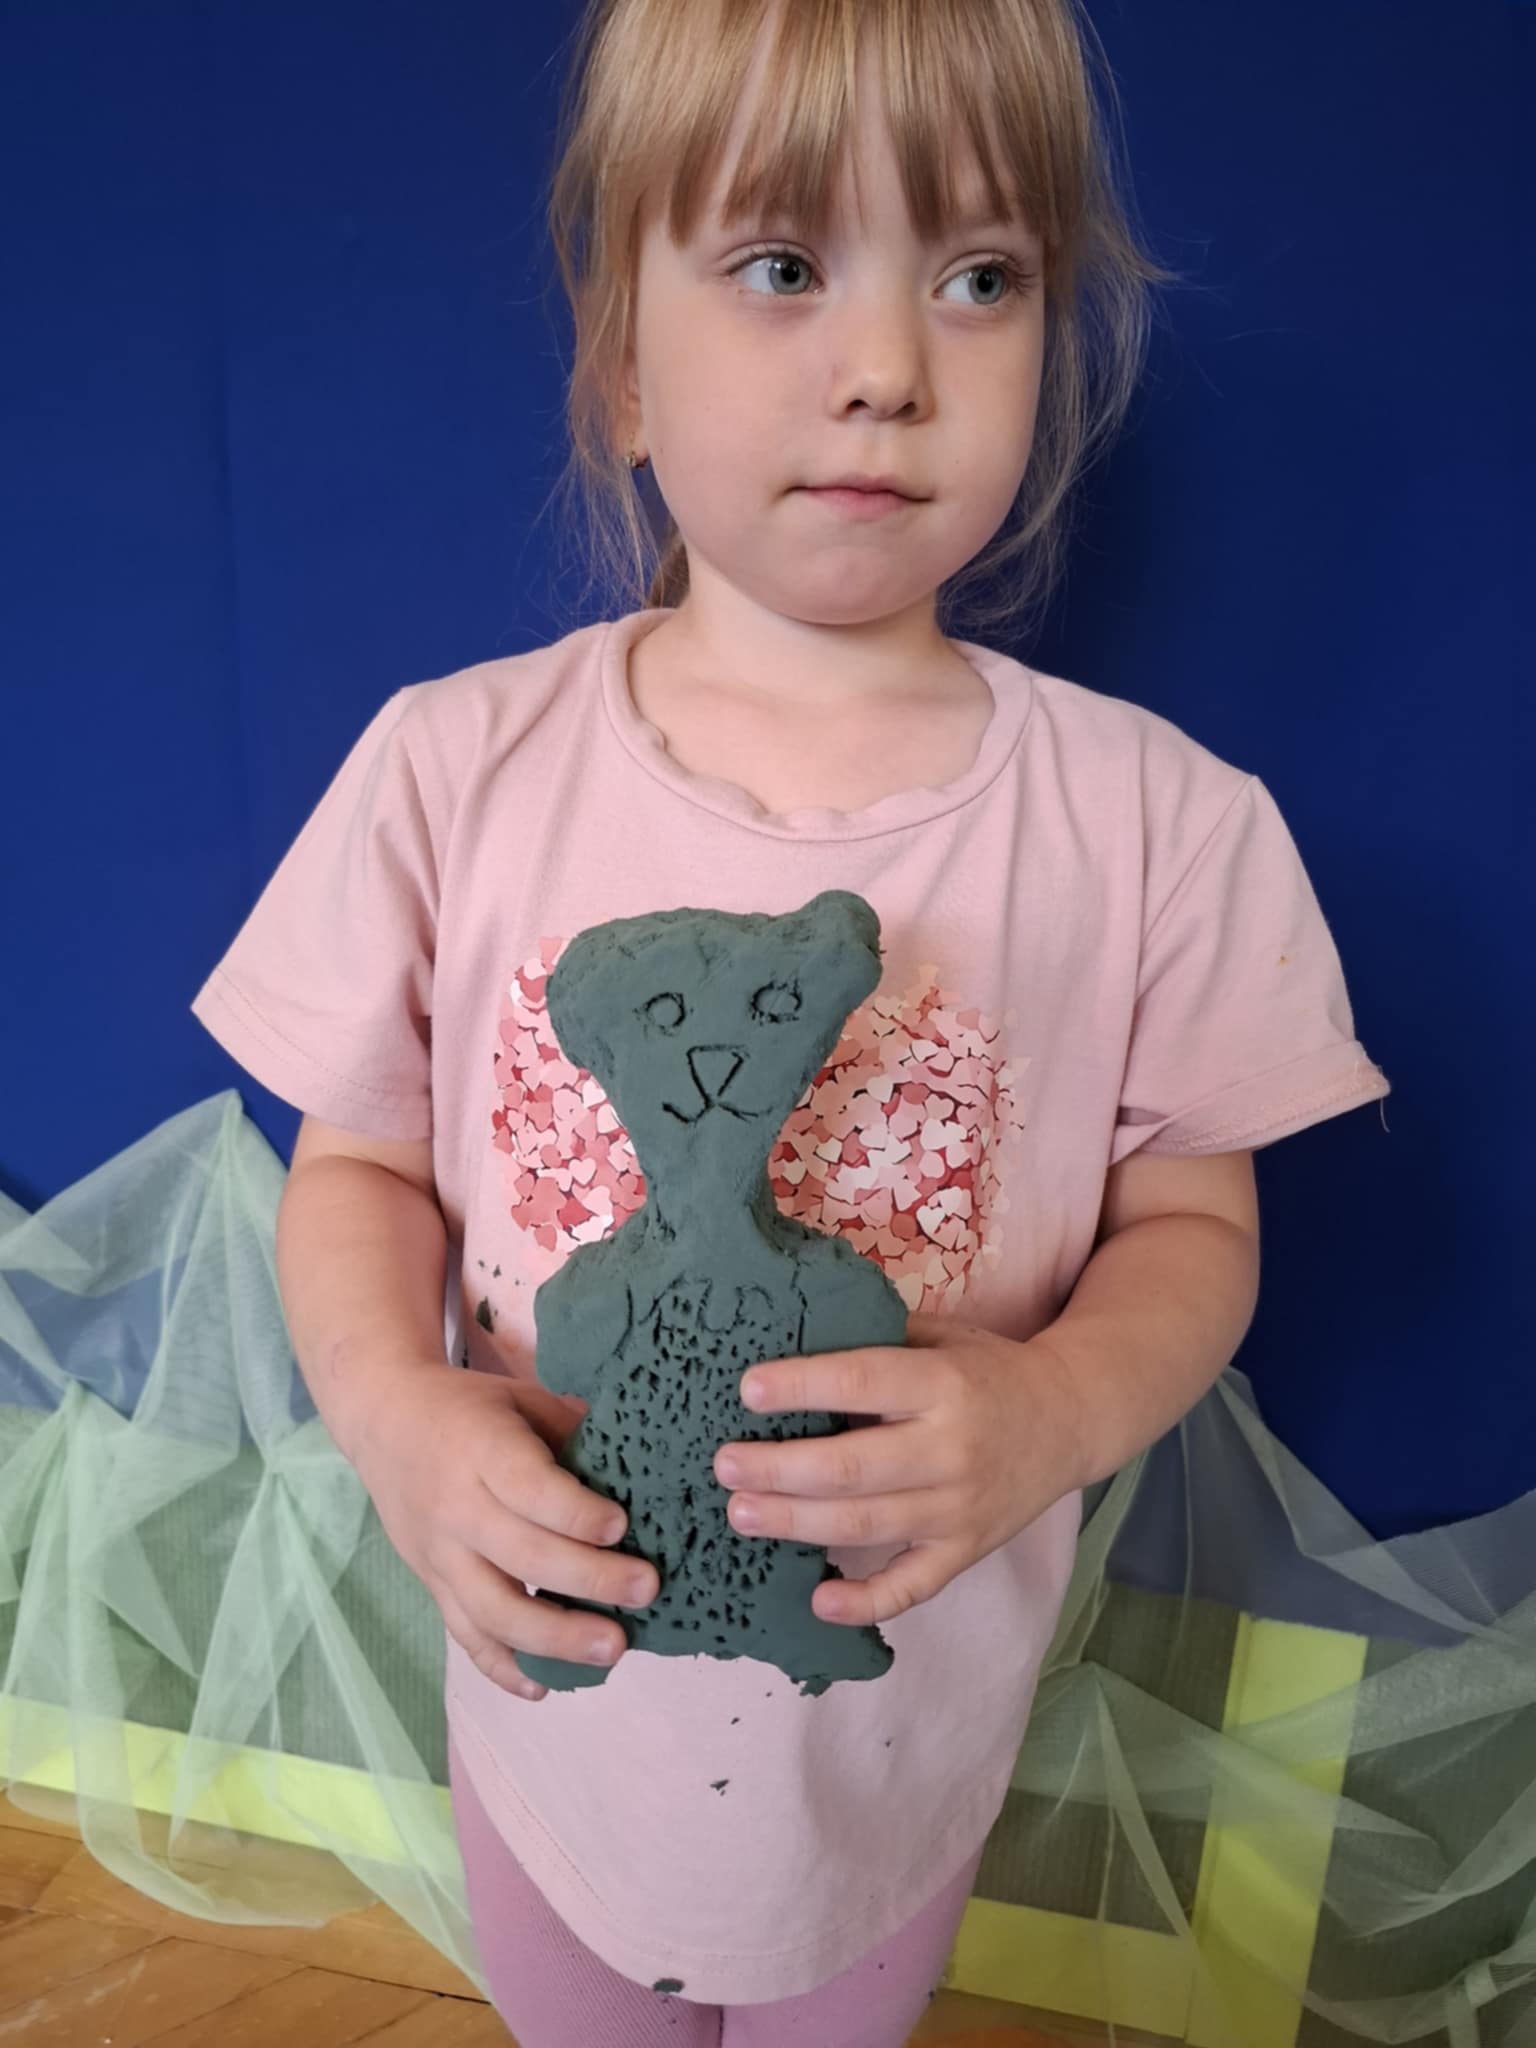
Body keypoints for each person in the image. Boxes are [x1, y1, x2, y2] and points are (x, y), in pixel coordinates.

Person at [190, 1, 1392, 2042]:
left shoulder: (1163, 826)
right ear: (619, 365)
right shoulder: (451, 771)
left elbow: (1196, 1229)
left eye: (981, 278)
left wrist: (1055, 1410)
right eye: (780, 264)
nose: (890, 365)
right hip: (558, 1725)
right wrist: (393, 1414)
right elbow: (361, 1169)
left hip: (897, 1756)